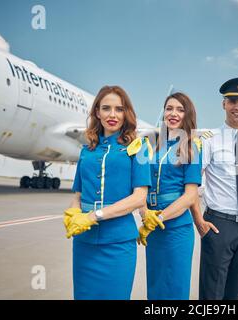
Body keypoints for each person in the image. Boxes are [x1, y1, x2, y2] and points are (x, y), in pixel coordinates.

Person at [63, 85, 151, 300]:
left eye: (119, 109)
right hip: (84, 242)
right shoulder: (86, 151)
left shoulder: (139, 147)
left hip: (118, 243)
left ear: (126, 113)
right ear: (97, 113)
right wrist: (73, 214)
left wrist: (94, 215)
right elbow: (78, 195)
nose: (112, 115)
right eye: (106, 108)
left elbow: (139, 197)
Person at [190, 77, 238, 300]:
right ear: (224, 104)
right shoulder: (209, 140)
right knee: (212, 294)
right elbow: (192, 184)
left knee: (234, 292)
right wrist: (199, 222)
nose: (237, 107)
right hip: (219, 225)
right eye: (232, 101)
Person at [137, 92, 202, 300]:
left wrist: (159, 218)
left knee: (175, 286)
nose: (173, 113)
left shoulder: (191, 147)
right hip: (153, 226)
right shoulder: (150, 144)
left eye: (180, 110)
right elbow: (140, 187)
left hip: (176, 229)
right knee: (155, 285)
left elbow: (190, 196)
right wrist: (145, 213)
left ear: (187, 114)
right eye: (169, 108)